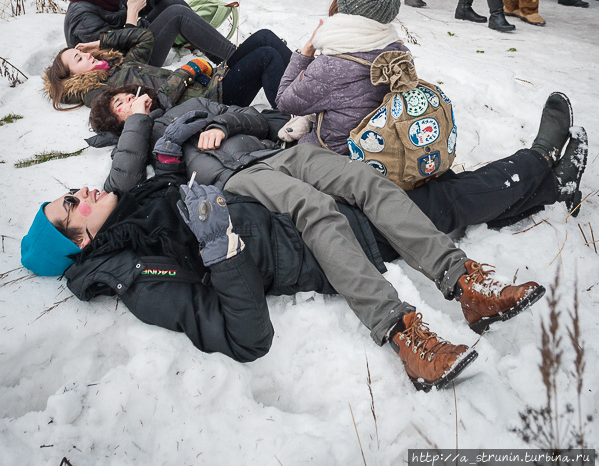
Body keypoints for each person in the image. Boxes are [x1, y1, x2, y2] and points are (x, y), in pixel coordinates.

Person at [21, 132, 548, 391]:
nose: (81, 191)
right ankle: (544, 165)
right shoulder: (133, 272)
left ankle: (472, 277)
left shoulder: (129, 208)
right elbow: (246, 335)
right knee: (450, 200)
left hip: (274, 180)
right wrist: (218, 246)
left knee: (400, 188)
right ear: (81, 242)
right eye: (71, 206)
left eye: (70, 192)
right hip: (304, 238)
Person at [276, 0, 586, 224]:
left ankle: (544, 167)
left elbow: (285, 100)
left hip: (342, 169)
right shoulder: (395, 49)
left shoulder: (331, 65)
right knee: (455, 194)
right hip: (391, 155)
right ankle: (551, 179)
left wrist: (304, 54)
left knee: (455, 197)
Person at [59, 0, 292, 78]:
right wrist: (131, 15)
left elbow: (137, 9)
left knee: (171, 2)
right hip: (127, 68)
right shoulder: (81, 12)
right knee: (177, 14)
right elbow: (112, 52)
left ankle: (222, 57)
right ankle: (238, 59)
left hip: (132, 50)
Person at [44, 21, 290, 111]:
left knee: (264, 36)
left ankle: (309, 84)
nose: (86, 57)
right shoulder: (99, 94)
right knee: (266, 56)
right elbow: (156, 105)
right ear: (73, 78)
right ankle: (292, 114)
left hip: (208, 81)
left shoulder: (119, 66)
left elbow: (144, 37)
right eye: (78, 60)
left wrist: (100, 42)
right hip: (209, 99)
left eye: (81, 54)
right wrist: (186, 71)